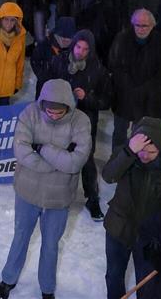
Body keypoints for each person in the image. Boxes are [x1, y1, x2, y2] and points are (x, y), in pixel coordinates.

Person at [0, 79, 92, 299]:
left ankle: (47, 289)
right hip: (28, 191)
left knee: (50, 245)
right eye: (49, 110)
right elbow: (21, 151)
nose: (53, 115)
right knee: (21, 236)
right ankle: (8, 280)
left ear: (68, 105)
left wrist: (42, 149)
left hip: (59, 196)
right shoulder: (30, 113)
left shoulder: (81, 121)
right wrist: (59, 160)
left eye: (59, 112)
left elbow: (76, 162)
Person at [102, 117, 161, 299]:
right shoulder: (124, 153)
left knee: (147, 281)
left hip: (150, 236)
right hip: (119, 228)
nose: (145, 156)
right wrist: (129, 152)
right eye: (141, 151)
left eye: (151, 152)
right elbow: (108, 176)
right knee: (114, 275)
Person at [51, 30, 110, 220]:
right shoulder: (60, 62)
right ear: (73, 45)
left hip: (85, 121)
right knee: (58, 155)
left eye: (85, 49)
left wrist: (88, 98)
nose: (80, 51)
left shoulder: (97, 69)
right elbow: (47, 86)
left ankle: (92, 198)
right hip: (60, 118)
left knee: (86, 158)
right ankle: (57, 194)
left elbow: (106, 102)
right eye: (78, 47)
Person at [108, 9, 161, 148]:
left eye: (145, 25)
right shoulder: (122, 39)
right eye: (137, 25)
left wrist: (144, 89)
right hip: (124, 96)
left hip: (148, 100)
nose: (141, 29)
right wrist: (127, 85)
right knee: (119, 133)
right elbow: (114, 65)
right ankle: (116, 162)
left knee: (141, 136)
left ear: (152, 25)